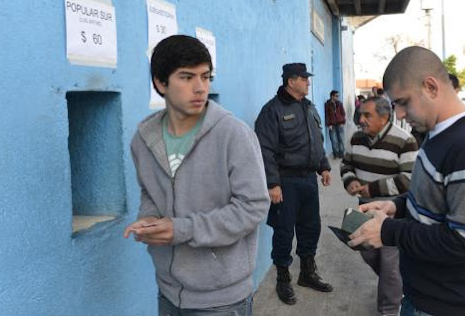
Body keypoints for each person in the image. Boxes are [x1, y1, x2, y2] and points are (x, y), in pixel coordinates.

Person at [348, 46, 465, 316]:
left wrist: (388, 231)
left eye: (403, 102)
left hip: (455, 306)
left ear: (431, 87)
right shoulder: (437, 134)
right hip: (423, 297)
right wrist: (397, 207)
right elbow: (436, 198)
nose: (399, 114)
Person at [123, 35, 270, 316]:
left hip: (222, 299)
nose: (200, 88)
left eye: (206, 76)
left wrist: (181, 229)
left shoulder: (233, 134)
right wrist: (150, 219)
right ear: (160, 83)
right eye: (187, 77)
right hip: (167, 290)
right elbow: (149, 191)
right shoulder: (143, 139)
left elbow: (253, 207)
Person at [254, 63, 333, 305]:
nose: (308, 82)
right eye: (303, 78)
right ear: (291, 81)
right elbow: (264, 149)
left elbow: (316, 140)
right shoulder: (272, 110)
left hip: (309, 179)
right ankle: (283, 278)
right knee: (284, 231)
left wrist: (324, 166)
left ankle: (307, 273)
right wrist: (272, 183)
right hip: (285, 182)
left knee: (311, 228)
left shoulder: (308, 107)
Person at [341, 96, 419, 316]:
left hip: (390, 213)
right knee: (368, 254)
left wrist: (372, 189)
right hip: (363, 210)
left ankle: (389, 310)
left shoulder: (404, 140)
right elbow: (347, 164)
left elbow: (410, 178)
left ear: (384, 117)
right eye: (361, 115)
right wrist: (350, 181)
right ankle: (399, 289)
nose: (362, 120)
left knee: (390, 267)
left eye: (368, 115)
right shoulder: (356, 139)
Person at [325, 90, 346, 158]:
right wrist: (329, 124)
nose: (338, 97)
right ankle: (336, 154)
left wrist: (343, 122)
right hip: (332, 124)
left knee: (341, 139)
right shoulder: (327, 104)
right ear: (332, 96)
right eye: (336, 96)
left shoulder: (339, 103)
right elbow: (327, 115)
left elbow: (343, 113)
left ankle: (341, 153)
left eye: (338, 96)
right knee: (334, 140)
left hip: (340, 123)